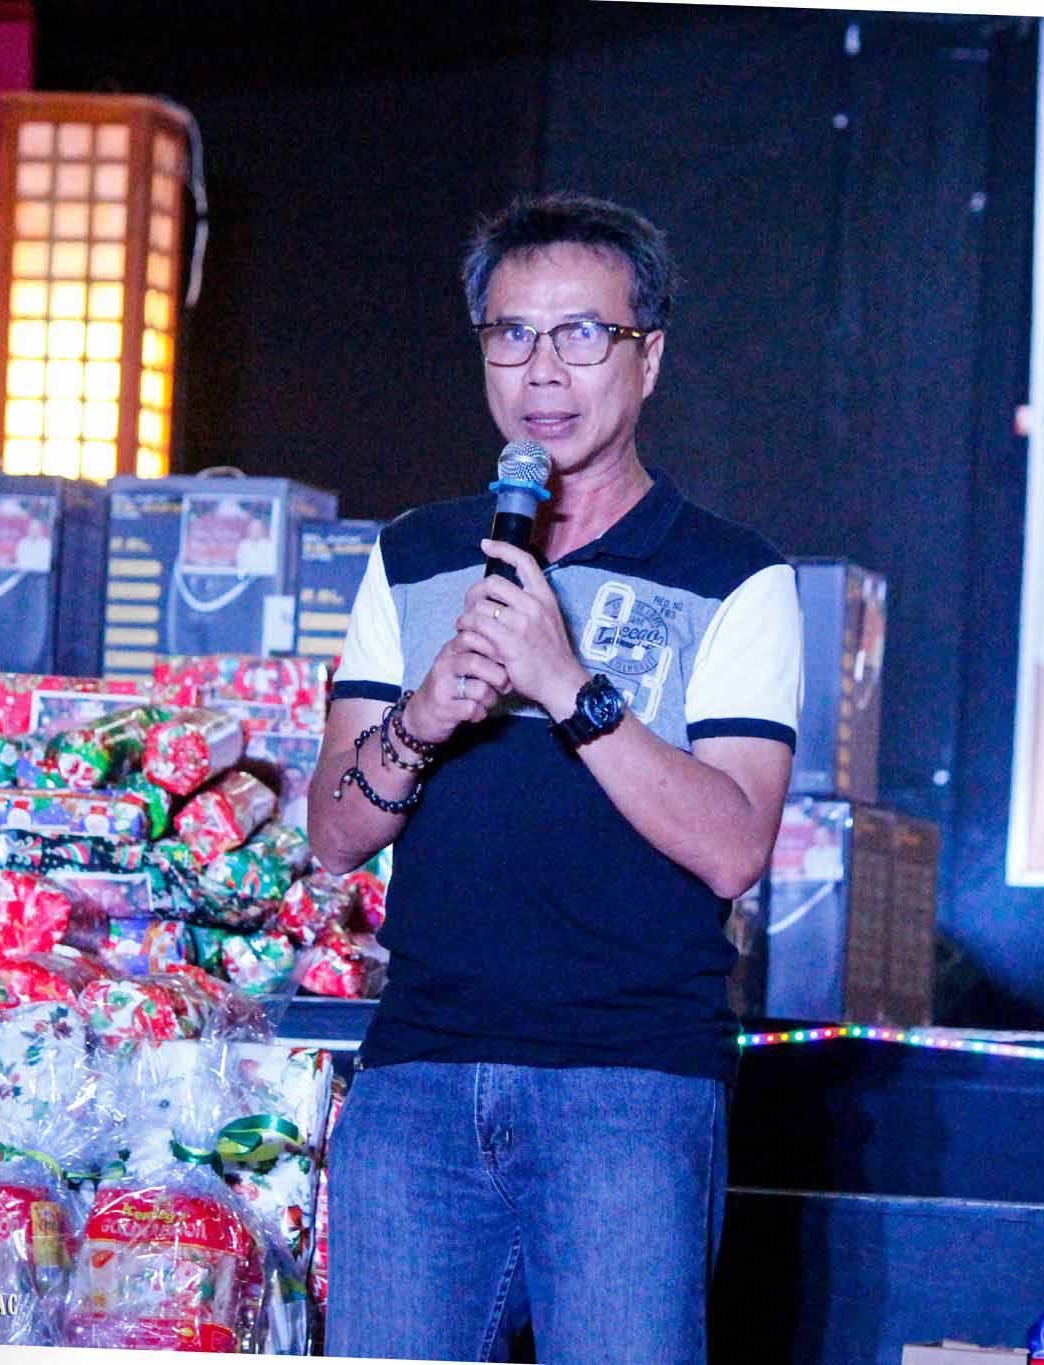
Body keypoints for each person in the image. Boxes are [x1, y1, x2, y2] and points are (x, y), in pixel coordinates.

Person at [311, 191, 803, 1364]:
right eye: (511, 334)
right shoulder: (415, 554)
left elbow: (732, 846)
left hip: (625, 1093)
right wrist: (422, 717)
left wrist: (568, 685)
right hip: (416, 1083)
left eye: (582, 334)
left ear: (648, 358)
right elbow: (330, 834)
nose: (543, 370)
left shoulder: (734, 576)